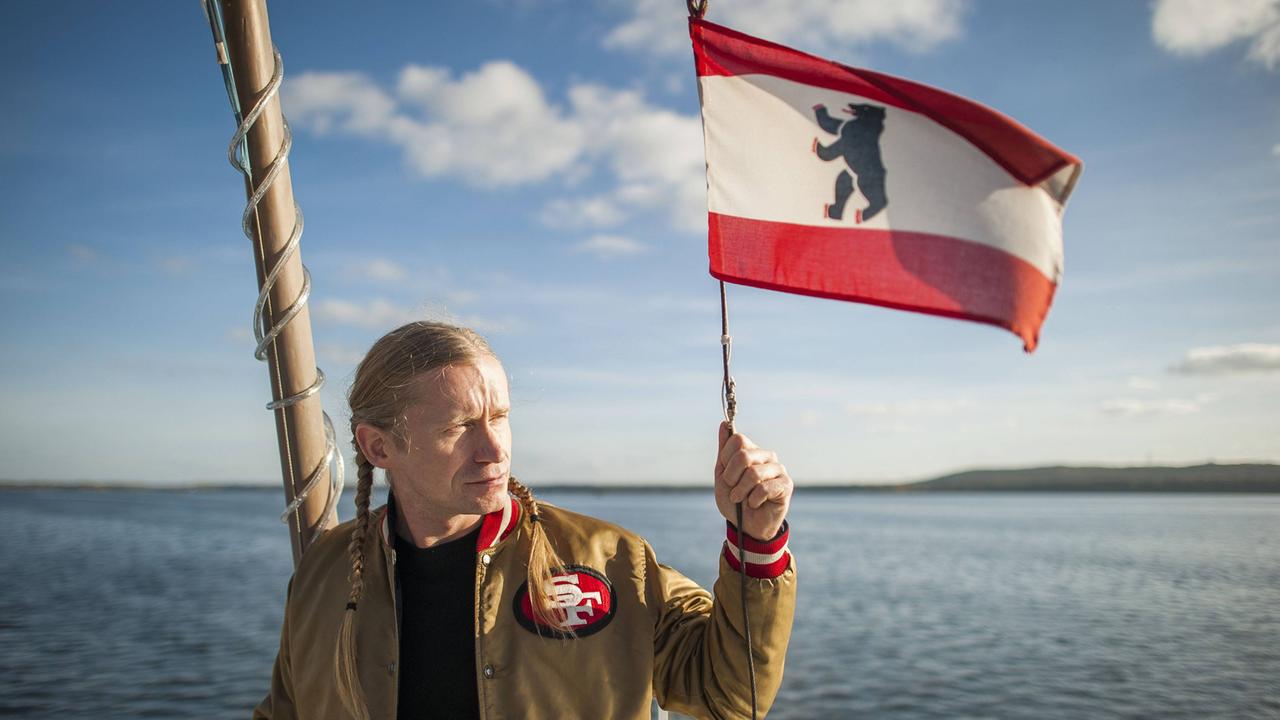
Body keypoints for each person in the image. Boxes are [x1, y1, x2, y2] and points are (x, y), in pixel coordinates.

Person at [253, 321, 796, 720]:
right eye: (460, 426)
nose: (494, 449)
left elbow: (732, 696)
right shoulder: (323, 573)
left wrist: (759, 543)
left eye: (500, 418)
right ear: (379, 447)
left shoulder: (613, 560)